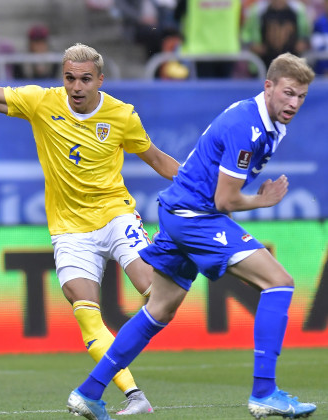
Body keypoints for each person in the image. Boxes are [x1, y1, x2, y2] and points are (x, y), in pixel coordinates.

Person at [0, 30, 180, 415]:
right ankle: (135, 397)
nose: (76, 86)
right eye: (70, 78)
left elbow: (155, 158)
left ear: (100, 80)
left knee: (155, 293)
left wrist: (203, 187)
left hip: (115, 215)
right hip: (69, 230)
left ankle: (172, 253)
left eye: (85, 79)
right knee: (86, 312)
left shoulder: (121, 115)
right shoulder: (41, 102)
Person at [66, 52, 317, 420]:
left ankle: (88, 392)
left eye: (301, 97)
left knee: (159, 309)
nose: (293, 103)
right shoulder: (246, 127)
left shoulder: (268, 122)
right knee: (279, 283)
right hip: (195, 215)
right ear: (269, 87)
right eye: (288, 93)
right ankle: (265, 392)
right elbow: (225, 199)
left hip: (179, 211)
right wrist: (263, 201)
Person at [241, 0, 312, 72]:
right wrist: (252, 44)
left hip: (292, 62)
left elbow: (306, 32)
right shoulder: (258, 9)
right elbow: (246, 34)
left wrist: (303, 42)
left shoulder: (297, 9)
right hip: (264, 63)